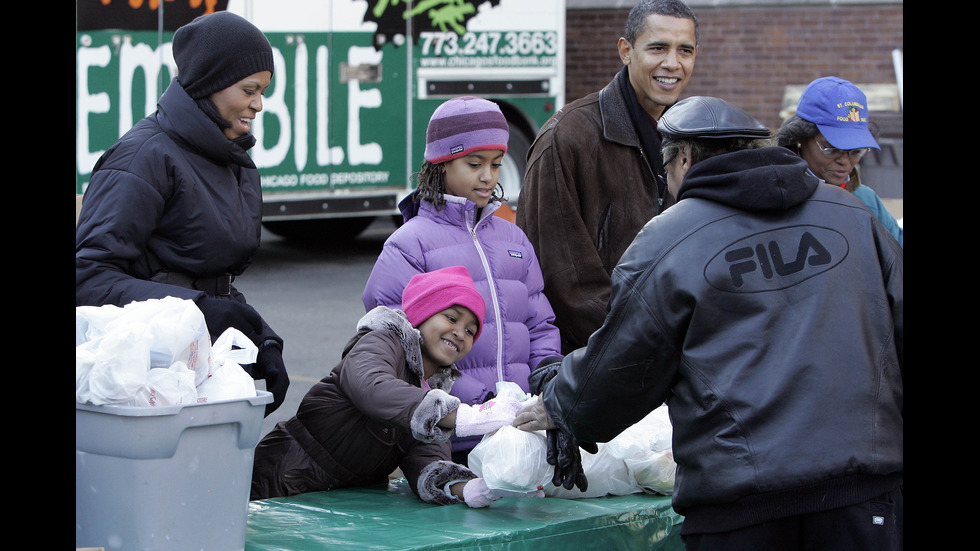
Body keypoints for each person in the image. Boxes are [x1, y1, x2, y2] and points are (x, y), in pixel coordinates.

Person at [514, 97, 903, 550]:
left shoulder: (669, 237)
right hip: (864, 494)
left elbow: (626, 360)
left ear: (681, 158)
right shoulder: (853, 215)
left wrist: (562, 405)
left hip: (741, 505)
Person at [75, 11, 289, 416]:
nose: (258, 105)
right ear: (211, 84)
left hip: (197, 363)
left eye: (263, 91)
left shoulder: (234, 160)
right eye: (249, 89)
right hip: (139, 378)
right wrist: (200, 310)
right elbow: (88, 277)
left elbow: (212, 276)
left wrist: (261, 338)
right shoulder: (142, 157)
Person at [362, 96, 563, 466]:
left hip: (520, 435)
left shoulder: (514, 239)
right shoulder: (410, 244)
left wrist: (549, 382)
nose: (488, 176)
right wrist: (479, 404)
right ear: (441, 164)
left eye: (497, 164)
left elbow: (539, 324)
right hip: (449, 442)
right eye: (475, 164)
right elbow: (397, 348)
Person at [251, 266, 535, 508]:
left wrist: (472, 489)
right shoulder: (381, 341)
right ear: (423, 315)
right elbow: (372, 387)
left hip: (341, 509)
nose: (460, 332)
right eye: (451, 318)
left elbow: (427, 462)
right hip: (280, 483)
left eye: (471, 330)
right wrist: (468, 416)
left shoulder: (433, 393)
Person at [516, 0, 700, 355]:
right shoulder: (566, 138)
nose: (673, 63)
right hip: (593, 364)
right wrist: (646, 348)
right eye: (658, 48)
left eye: (685, 50)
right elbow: (564, 282)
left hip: (666, 356)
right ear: (626, 51)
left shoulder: (690, 139)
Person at [777, 76, 903, 247]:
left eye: (856, 151)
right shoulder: (775, 195)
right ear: (801, 138)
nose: (845, 161)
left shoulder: (865, 201)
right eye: (831, 148)